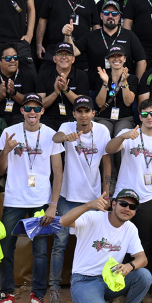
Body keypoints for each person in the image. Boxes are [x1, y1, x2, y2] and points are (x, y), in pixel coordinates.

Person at [0, 93, 64, 303]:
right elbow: (0, 170)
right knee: (6, 247)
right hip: (14, 199)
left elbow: (58, 172)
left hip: (41, 201)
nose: (32, 112)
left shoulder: (51, 135)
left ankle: (37, 296)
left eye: (36, 108)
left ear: (42, 111)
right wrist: (6, 150)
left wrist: (53, 204)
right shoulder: (9, 132)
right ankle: (7, 295)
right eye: (28, 108)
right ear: (22, 110)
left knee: (40, 251)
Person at [105, 99, 152, 303]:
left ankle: (145, 291)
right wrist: (124, 135)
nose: (149, 118)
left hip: (148, 200)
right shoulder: (129, 135)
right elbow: (109, 149)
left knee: (146, 246)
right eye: (145, 114)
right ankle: (118, 292)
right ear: (140, 116)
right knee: (119, 245)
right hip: (124, 198)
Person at [58, 190, 152, 303]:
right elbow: (63, 221)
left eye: (132, 207)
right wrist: (89, 205)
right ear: (114, 204)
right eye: (123, 204)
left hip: (111, 279)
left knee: (144, 276)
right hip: (84, 280)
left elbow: (143, 259)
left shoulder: (130, 229)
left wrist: (130, 265)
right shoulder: (93, 217)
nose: (127, 209)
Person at [53, 96, 113, 290]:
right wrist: (65, 138)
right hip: (68, 196)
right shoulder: (67, 126)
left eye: (87, 111)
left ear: (93, 114)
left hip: (94, 197)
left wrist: (107, 191)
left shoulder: (102, 130)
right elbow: (55, 138)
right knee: (60, 243)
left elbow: (107, 162)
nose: (83, 115)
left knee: (96, 243)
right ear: (74, 114)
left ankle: (95, 285)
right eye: (79, 111)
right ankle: (54, 287)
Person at [35, 0, 97, 69]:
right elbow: (42, 21)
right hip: (54, 51)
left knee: (80, 83)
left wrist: (95, 48)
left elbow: (96, 27)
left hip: (80, 53)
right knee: (47, 81)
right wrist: (39, 45)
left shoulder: (89, 1)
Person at [78, 0, 148, 92]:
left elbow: (141, 61)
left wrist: (136, 84)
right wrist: (67, 35)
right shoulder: (90, 36)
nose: (110, 16)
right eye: (107, 13)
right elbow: (73, 51)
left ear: (119, 17)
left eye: (114, 14)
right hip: (96, 89)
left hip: (124, 90)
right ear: (101, 16)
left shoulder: (129, 36)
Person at [0, 42, 33, 140]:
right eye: (8, 58)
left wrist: (14, 93)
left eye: (15, 57)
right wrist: (0, 96)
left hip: (19, 116)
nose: (13, 61)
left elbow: (29, 102)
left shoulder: (27, 75)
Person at [37, 42, 88, 131]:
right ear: (54, 58)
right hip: (49, 119)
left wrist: (66, 89)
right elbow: (40, 105)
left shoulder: (81, 75)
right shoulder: (43, 75)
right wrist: (56, 92)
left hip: (73, 118)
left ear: (73, 59)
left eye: (68, 54)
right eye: (60, 54)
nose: (64, 57)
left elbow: (82, 104)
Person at [94, 45, 136, 136]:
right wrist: (105, 82)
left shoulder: (132, 78)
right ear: (108, 59)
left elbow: (128, 102)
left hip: (124, 118)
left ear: (124, 58)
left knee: (121, 134)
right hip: (104, 118)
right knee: (104, 133)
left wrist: (124, 82)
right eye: (113, 56)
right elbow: (100, 104)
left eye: (119, 56)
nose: (116, 59)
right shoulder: (102, 77)